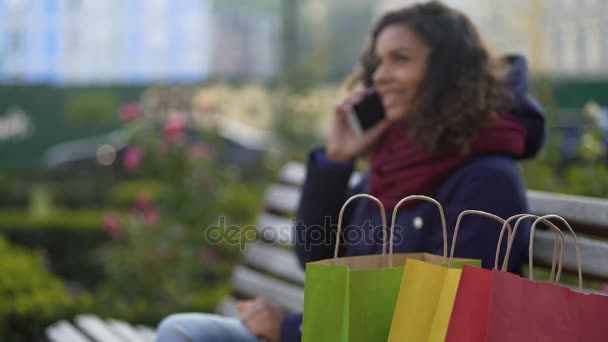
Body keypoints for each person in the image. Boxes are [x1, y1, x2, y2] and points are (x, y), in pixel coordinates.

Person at [156, 1, 545, 341]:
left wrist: (291, 330)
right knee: (183, 331)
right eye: (378, 62)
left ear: (448, 73)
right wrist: (336, 161)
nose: (379, 76)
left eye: (401, 59)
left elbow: (445, 317)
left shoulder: (487, 182)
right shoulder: (388, 173)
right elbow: (316, 255)